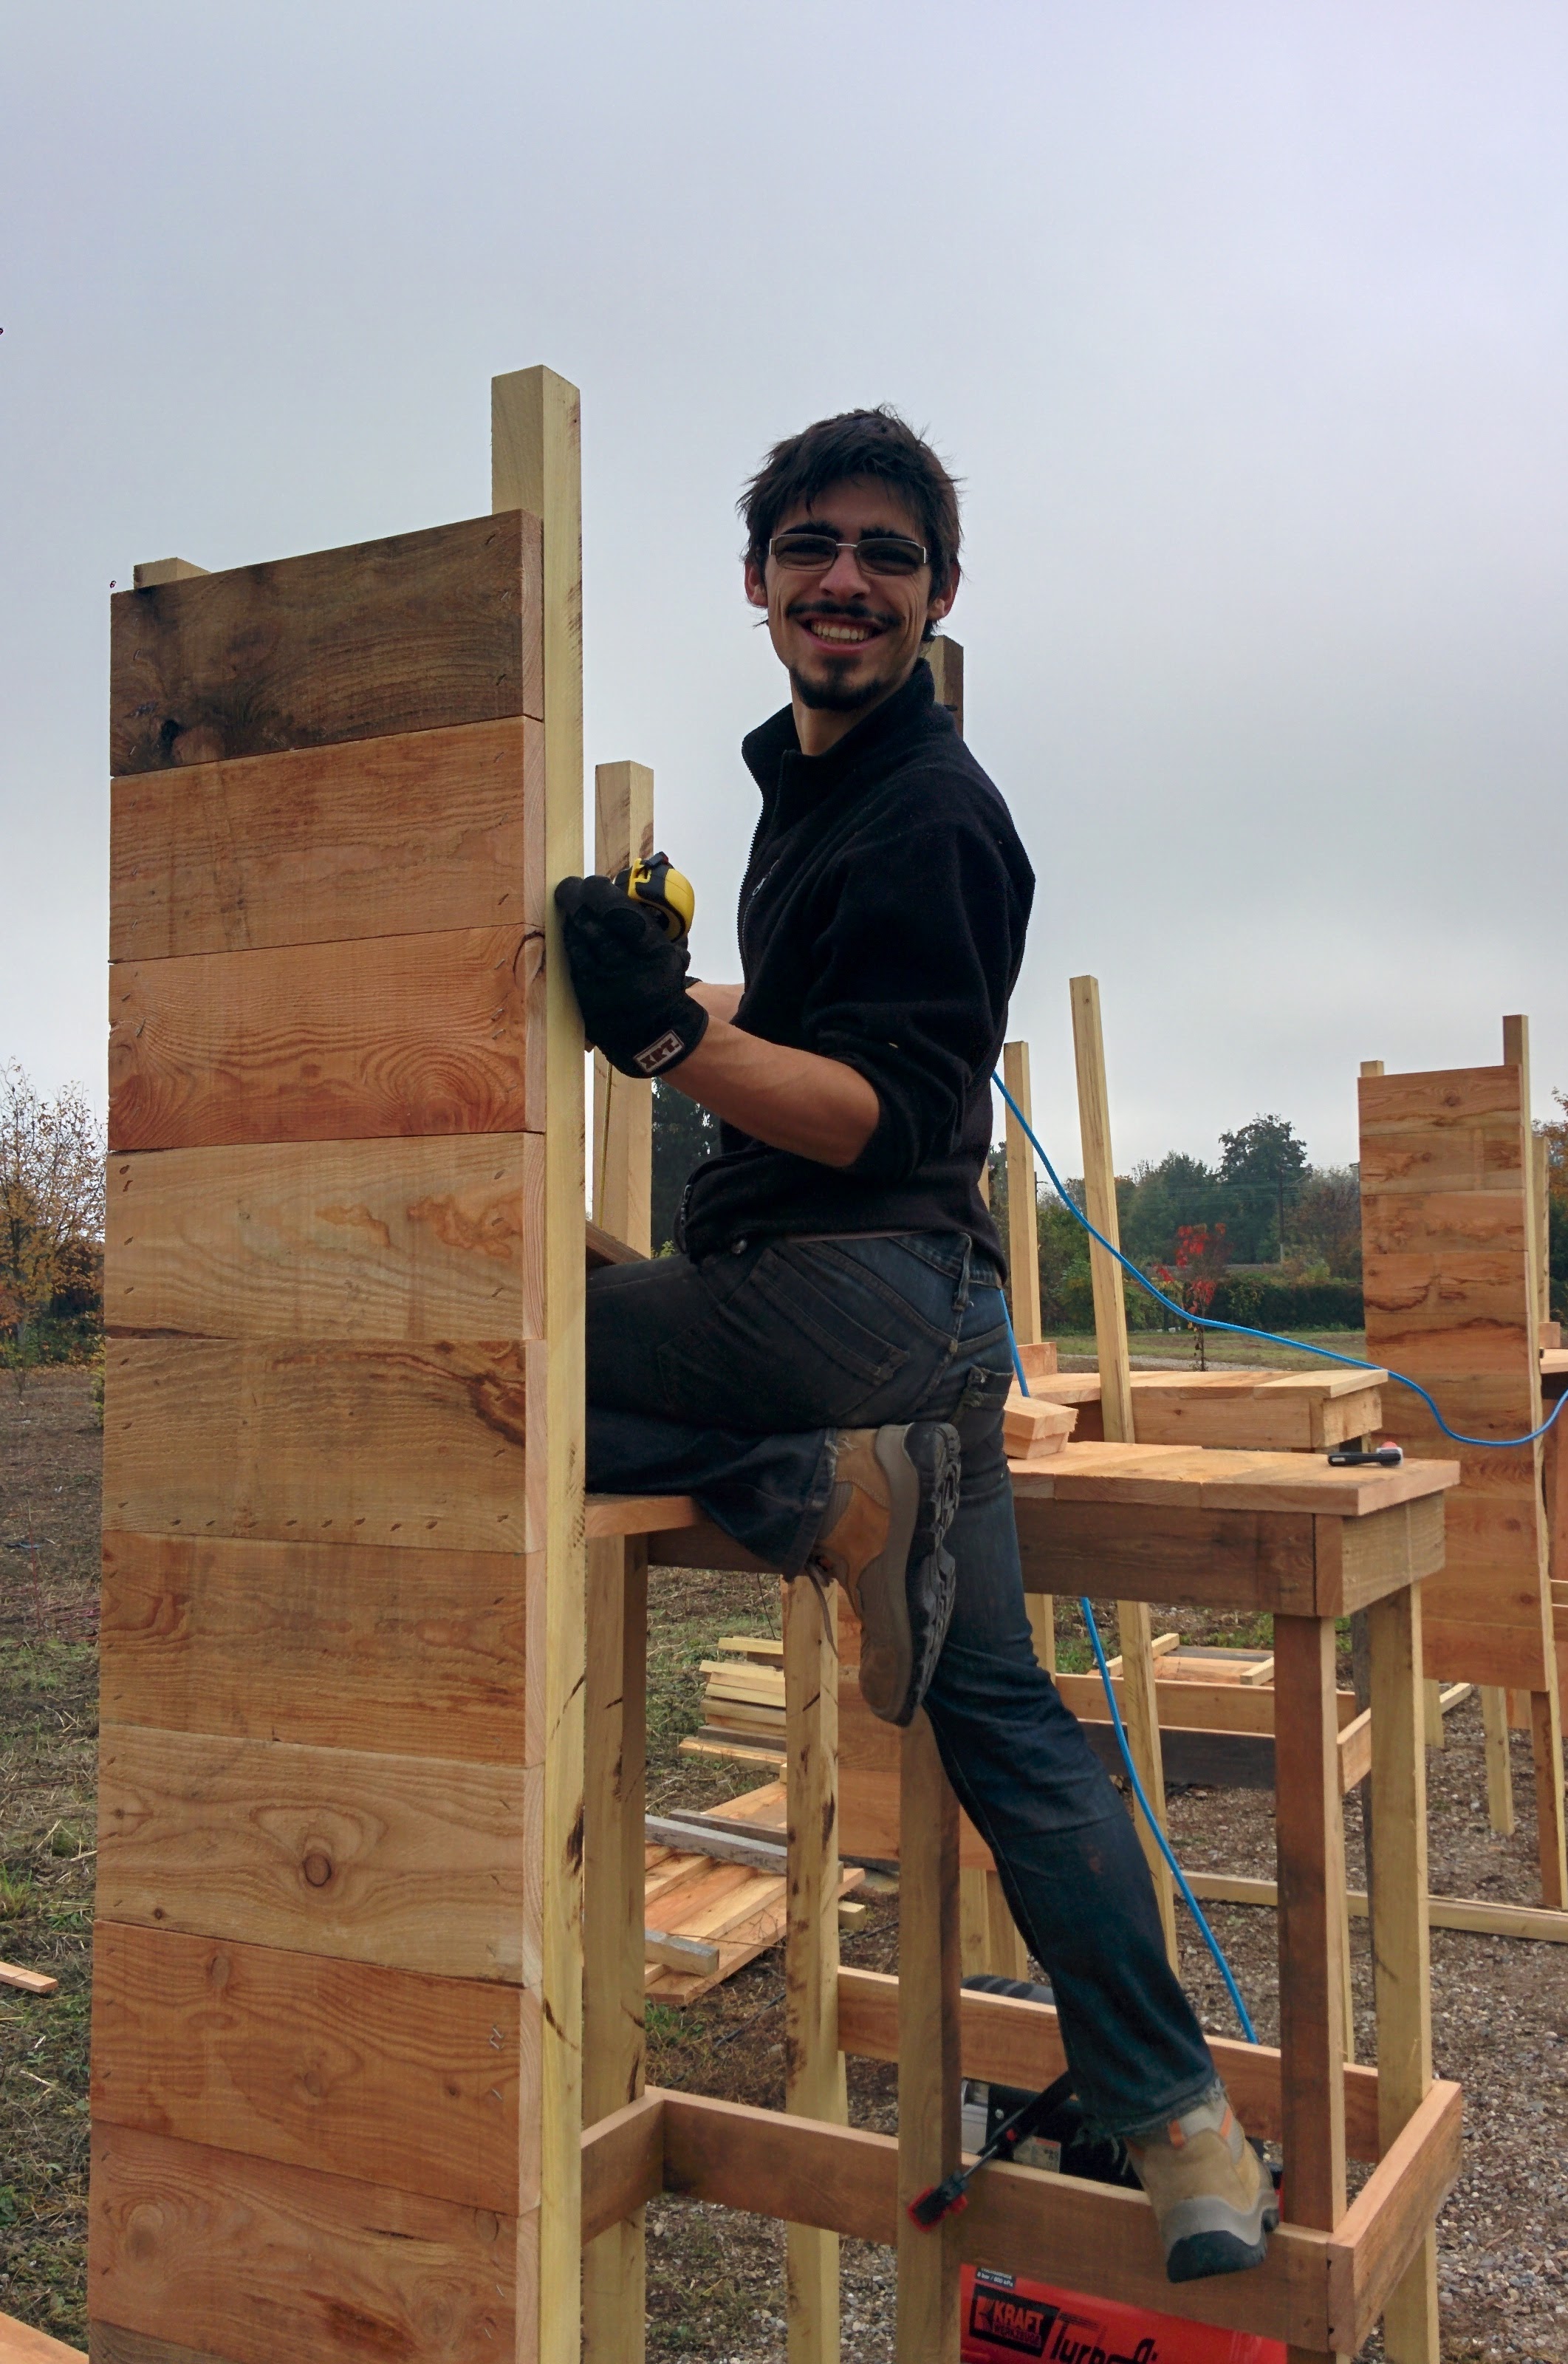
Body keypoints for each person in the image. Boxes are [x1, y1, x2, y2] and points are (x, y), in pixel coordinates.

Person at [558, 407, 1275, 2283]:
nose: (845, 581)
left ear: (938, 596)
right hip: (913, 1329)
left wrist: (662, 1042)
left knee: (486, 1362)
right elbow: (818, 1016)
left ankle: (796, 1480)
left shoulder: (933, 813)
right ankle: (1182, 2127)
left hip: (845, 1295)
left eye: (886, 554)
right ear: (755, 580)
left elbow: (878, 1108)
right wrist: (678, 986)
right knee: (1004, 1717)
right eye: (812, 547)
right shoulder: (828, 796)